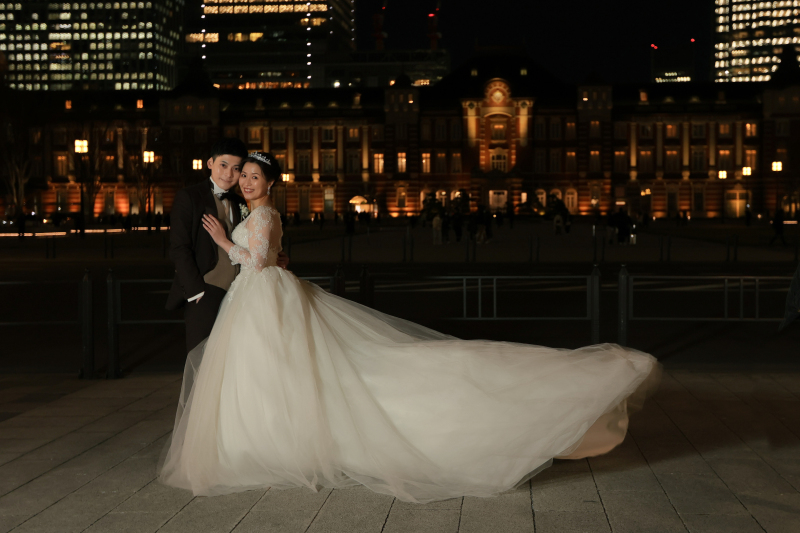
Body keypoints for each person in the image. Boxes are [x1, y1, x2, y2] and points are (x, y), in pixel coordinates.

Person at [159, 151, 660, 504]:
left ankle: (273, 442)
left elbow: (260, 261)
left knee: (284, 369)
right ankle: (267, 439)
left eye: (253, 175)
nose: (245, 181)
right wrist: (254, 249)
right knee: (275, 371)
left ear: (270, 182)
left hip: (262, 294)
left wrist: (228, 244)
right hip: (260, 299)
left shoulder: (261, 214)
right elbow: (272, 257)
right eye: (241, 174)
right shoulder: (257, 211)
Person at [165, 138, 289, 353]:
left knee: (231, 361)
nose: (229, 174)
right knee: (201, 359)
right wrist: (196, 292)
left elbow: (255, 239)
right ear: (210, 163)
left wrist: (274, 255)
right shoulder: (190, 197)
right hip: (204, 291)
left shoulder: (241, 202)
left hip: (240, 293)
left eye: (236, 169)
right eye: (223, 165)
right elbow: (179, 248)